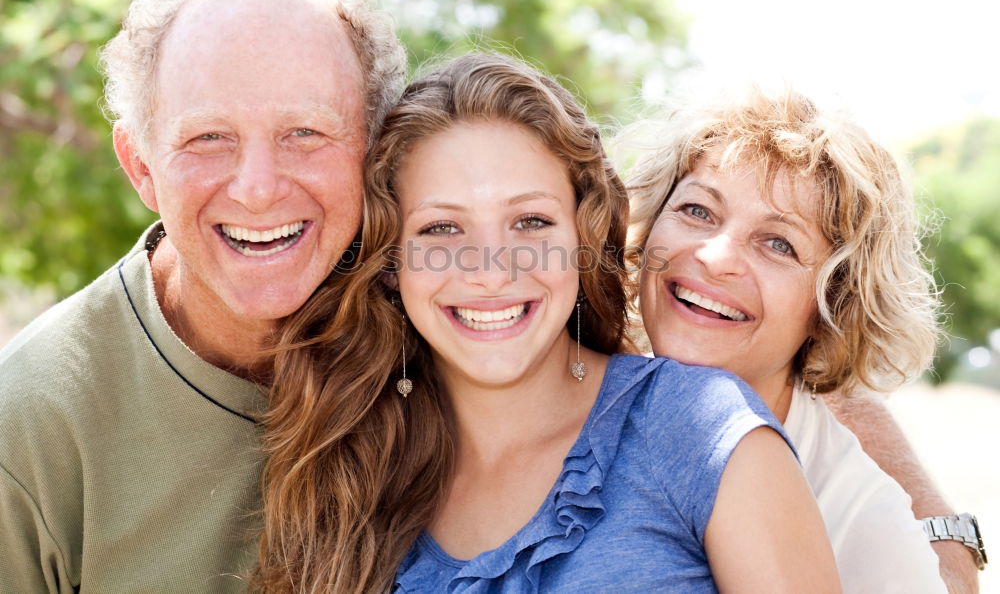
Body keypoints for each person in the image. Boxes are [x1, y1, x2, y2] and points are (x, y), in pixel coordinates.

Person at [256, 53, 842, 593]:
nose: (490, 271)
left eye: (531, 222)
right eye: (441, 229)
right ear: (391, 263)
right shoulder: (344, 466)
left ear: (581, 240)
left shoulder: (702, 429)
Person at [0, 0, 405, 592]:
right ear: (140, 166)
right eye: (208, 138)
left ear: (375, 151)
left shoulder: (446, 338)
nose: (258, 188)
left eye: (306, 133)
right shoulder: (31, 425)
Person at [621, 88, 973, 593]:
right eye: (698, 211)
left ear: (833, 306)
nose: (716, 256)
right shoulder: (584, 406)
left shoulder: (863, 524)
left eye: (778, 243)